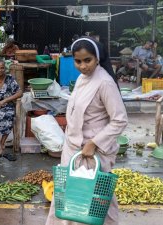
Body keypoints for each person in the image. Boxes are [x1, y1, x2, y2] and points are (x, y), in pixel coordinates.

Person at [45, 37, 128, 225]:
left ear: (97, 58)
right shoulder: (83, 78)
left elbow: (120, 119)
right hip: (73, 149)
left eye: (87, 60)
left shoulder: (105, 83)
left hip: (92, 153)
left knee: (93, 202)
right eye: (78, 61)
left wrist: (93, 143)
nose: (83, 66)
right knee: (68, 201)